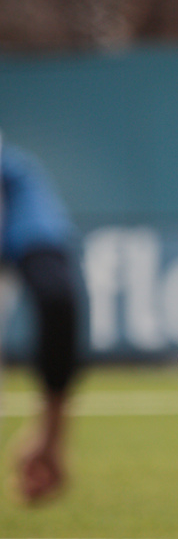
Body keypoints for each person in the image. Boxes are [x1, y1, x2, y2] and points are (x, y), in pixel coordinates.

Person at [1, 139, 81, 501]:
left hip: (26, 231)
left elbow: (57, 302)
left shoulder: (16, 176)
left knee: (56, 300)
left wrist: (50, 435)